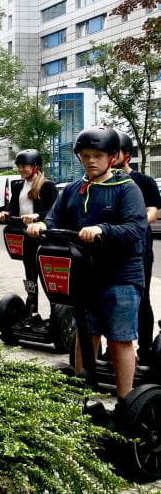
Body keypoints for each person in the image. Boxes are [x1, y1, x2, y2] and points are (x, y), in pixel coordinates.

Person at [27, 127, 147, 400]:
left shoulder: (126, 189)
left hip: (121, 277)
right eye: (85, 155)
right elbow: (55, 220)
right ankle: (84, 396)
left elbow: (135, 229)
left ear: (112, 157)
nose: (91, 160)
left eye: (98, 155)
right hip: (84, 275)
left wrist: (103, 229)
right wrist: (42, 225)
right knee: (86, 333)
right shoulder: (72, 190)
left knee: (120, 339)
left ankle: (126, 401)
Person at [113, 130, 161, 364]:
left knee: (141, 300)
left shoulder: (143, 182)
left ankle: (144, 349)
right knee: (110, 298)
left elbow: (153, 211)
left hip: (139, 249)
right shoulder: (102, 182)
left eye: (115, 152)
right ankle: (113, 349)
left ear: (126, 155)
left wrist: (132, 218)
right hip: (110, 249)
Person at [0, 149, 59, 316]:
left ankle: (56, 314)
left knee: (46, 278)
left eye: (24, 166)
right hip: (26, 237)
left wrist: (37, 217)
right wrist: (4, 214)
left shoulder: (47, 186)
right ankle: (32, 310)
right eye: (19, 166)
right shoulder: (17, 186)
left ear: (35, 166)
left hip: (43, 238)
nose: (21, 169)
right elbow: (12, 209)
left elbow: (54, 212)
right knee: (30, 276)